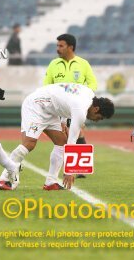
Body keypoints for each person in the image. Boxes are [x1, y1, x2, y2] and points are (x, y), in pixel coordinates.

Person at [0, 83, 114, 191]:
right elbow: (72, 142)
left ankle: (51, 182)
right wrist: (69, 171)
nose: (96, 121)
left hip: (50, 109)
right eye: (99, 118)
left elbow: (66, 96)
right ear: (96, 109)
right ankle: (3, 179)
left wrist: (63, 120)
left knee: (62, 142)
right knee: (29, 143)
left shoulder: (89, 95)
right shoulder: (81, 111)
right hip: (37, 104)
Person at [43, 33, 97, 181]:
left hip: (76, 105)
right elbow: (46, 84)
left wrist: (82, 93)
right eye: (57, 46)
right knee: (66, 136)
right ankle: (73, 168)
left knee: (77, 132)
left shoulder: (83, 64)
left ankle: (78, 168)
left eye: (61, 46)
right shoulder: (53, 64)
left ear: (70, 47)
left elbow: (93, 84)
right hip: (58, 106)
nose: (58, 49)